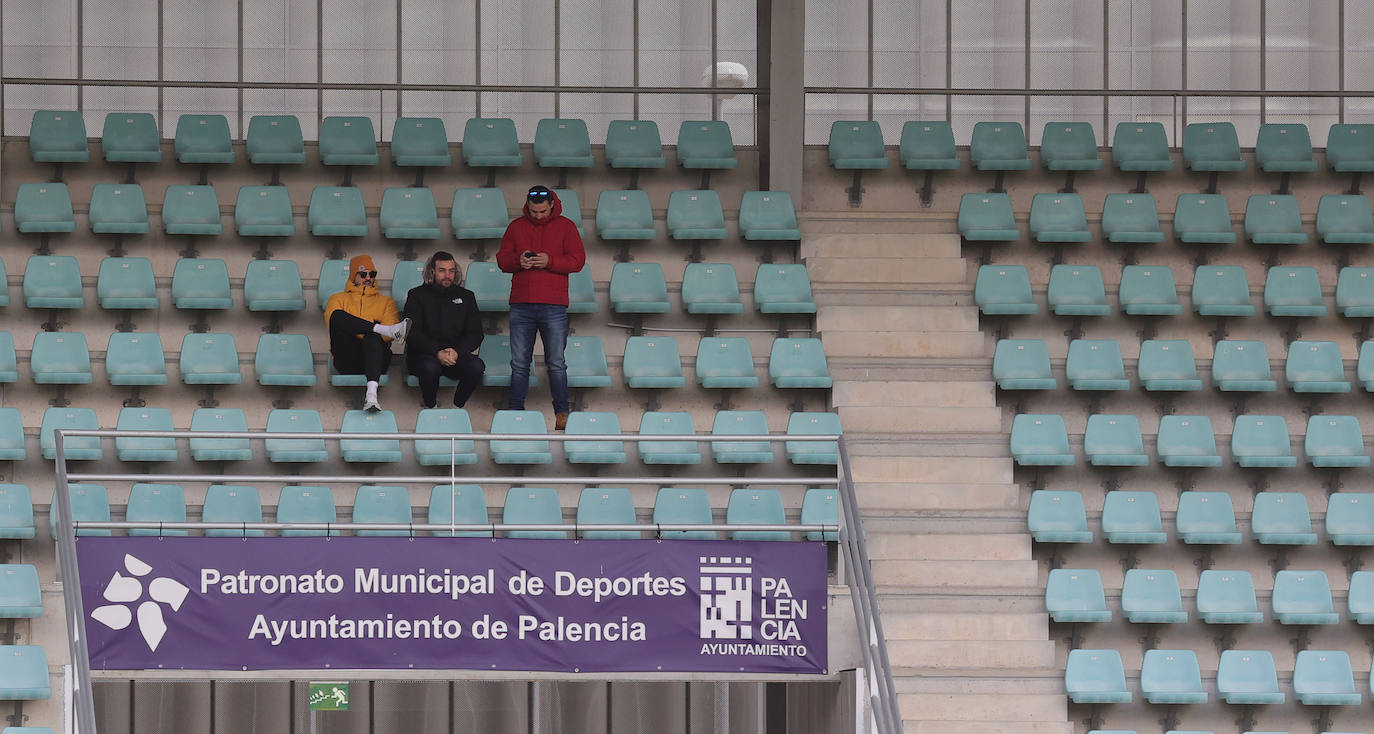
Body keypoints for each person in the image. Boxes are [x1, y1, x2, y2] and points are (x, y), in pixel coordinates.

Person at [496, 185, 586, 430]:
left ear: (552, 206)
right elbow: (502, 259)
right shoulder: (516, 226)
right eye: (534, 212)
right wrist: (519, 261)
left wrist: (550, 261)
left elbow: (578, 260)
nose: (538, 216)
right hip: (522, 304)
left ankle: (562, 413)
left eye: (542, 211)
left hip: (553, 305)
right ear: (528, 205)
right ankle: (516, 413)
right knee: (519, 363)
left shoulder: (566, 226)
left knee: (556, 361)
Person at [324, 254, 410, 412]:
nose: (368, 278)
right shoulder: (337, 299)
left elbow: (388, 337)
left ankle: (371, 396)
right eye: (363, 274)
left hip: (376, 359)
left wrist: (358, 327)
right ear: (353, 276)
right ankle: (378, 327)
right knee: (338, 316)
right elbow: (332, 322)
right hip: (347, 359)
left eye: (372, 274)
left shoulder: (386, 302)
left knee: (373, 338)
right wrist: (374, 325)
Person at [404, 251, 486, 409]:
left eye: (451, 270)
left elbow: (476, 334)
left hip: (455, 355)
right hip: (424, 356)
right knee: (430, 367)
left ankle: (457, 408)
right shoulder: (416, 295)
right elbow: (412, 333)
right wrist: (437, 352)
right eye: (442, 270)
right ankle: (431, 407)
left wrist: (456, 351)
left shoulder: (467, 296)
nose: (447, 275)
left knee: (477, 366)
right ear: (432, 271)